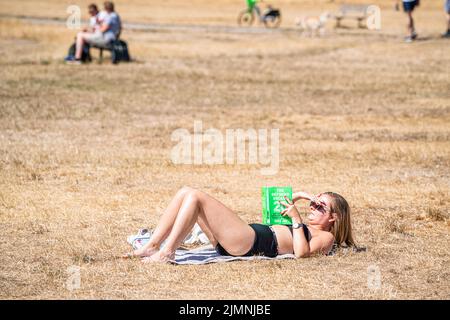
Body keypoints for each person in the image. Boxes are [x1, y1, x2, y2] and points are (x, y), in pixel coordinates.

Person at [124, 187, 355, 263]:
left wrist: (297, 219)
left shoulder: (326, 238)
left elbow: (302, 254)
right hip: (241, 238)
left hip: (250, 241)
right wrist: (301, 195)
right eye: (314, 204)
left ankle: (167, 252)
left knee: (195, 196)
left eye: (320, 206)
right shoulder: (305, 225)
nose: (313, 208)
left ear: (334, 218)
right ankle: (153, 245)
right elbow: (278, 209)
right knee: (186, 192)